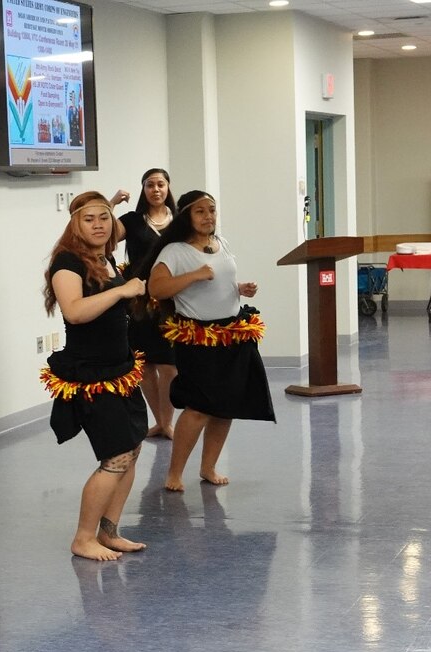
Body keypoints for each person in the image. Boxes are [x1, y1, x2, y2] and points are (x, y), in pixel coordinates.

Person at [42, 191, 150, 562]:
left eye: (104, 217)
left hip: (120, 369)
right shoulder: (67, 263)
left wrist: (115, 207)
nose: (99, 225)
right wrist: (124, 290)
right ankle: (83, 538)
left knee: (132, 450)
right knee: (116, 456)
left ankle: (109, 531)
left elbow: (118, 227)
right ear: (74, 224)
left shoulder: (106, 258)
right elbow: (74, 311)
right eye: (89, 219)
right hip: (91, 375)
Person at [148, 190, 275, 493]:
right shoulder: (175, 251)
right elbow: (157, 288)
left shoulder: (221, 244)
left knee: (225, 407)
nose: (208, 217)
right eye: (200, 212)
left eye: (212, 211)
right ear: (187, 217)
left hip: (232, 334)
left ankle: (208, 467)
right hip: (198, 339)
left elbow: (220, 281)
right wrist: (192, 276)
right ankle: (174, 473)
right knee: (199, 408)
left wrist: (239, 288)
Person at [111, 168, 179, 439]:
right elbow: (105, 235)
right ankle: (160, 421)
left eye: (161, 184)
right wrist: (112, 203)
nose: (156, 190)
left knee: (169, 366)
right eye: (150, 185)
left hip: (171, 301)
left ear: (168, 187)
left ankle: (168, 420)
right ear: (143, 189)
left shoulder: (180, 221)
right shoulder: (133, 220)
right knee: (145, 365)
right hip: (139, 302)